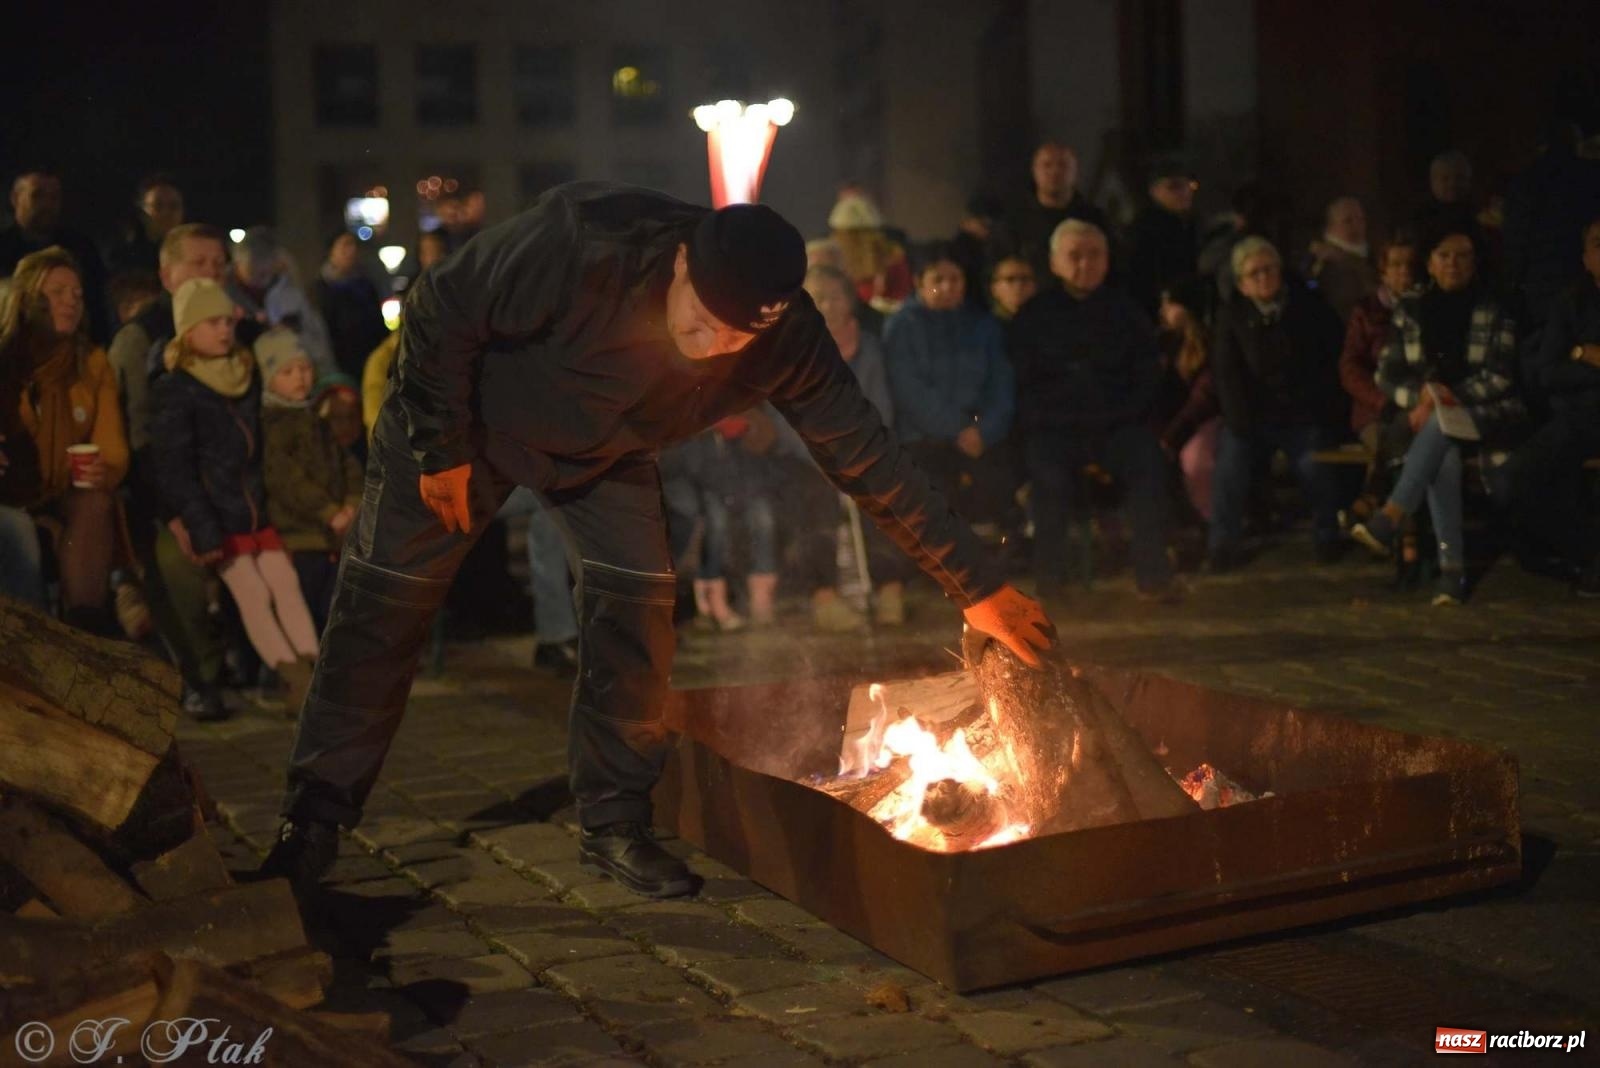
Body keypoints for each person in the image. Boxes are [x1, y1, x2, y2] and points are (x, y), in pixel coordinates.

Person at [259, 183, 1054, 901]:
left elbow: (868, 457)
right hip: (463, 424)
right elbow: (441, 305)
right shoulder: (582, 242)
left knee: (638, 608)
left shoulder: (788, 337)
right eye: (700, 324)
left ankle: (613, 821)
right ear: (678, 264)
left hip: (606, 452)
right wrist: (438, 445)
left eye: (734, 339)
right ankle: (315, 817)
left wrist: (977, 586)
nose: (710, 348)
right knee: (385, 606)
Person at [149, 279, 321, 713]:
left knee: (285, 584)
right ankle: (294, 678)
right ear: (188, 331)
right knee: (253, 595)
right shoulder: (176, 388)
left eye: (227, 320)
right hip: (220, 519)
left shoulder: (244, 374)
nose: (224, 330)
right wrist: (203, 527)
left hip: (256, 512)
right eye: (211, 323)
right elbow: (176, 467)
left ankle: (315, 671)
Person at [1350, 231, 1525, 605]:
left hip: (1485, 412)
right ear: (1429, 263)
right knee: (1441, 451)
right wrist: (1422, 397)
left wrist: (1449, 397)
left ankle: (1393, 515)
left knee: (1439, 428)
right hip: (1432, 417)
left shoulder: (1494, 307)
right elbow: (1387, 373)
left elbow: (1501, 376)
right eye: (1443, 255)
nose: (1452, 264)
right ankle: (1451, 573)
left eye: (1462, 256)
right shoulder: (1412, 307)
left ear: (1474, 262)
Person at [1008, 220, 1178, 602]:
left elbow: (1147, 377)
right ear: (1055, 262)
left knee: (1147, 462)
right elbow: (1024, 382)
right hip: (1055, 428)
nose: (1085, 264)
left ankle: (1153, 576)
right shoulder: (1033, 316)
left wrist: (1120, 415)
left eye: (1094, 255)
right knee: (1048, 478)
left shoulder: (1127, 311)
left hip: (1116, 426)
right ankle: (1050, 583)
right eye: (1075, 256)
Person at [773, 264, 908, 631]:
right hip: (808, 456)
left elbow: (880, 407)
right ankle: (825, 598)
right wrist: (823, 457)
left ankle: (889, 590)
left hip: (860, 451)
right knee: (811, 498)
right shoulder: (791, 350)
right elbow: (785, 418)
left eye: (835, 297)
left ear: (850, 301)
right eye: (818, 298)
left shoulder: (868, 349)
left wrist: (858, 454)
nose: (827, 306)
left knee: (881, 492)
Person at [0, 247, 128, 632]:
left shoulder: (90, 364)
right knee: (18, 532)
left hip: (58, 495)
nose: (71, 301)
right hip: (8, 496)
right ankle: (32, 645)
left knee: (94, 500)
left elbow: (114, 449)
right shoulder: (6, 361)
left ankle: (83, 626)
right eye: (57, 292)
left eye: (77, 293)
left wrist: (99, 468)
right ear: (28, 298)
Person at [1207, 237, 1347, 569]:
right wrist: (1242, 423)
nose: (1263, 278)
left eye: (1269, 269)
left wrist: (1317, 410)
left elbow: (1328, 360)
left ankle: (1327, 534)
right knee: (1230, 466)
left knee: (1316, 465)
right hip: (1251, 417)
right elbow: (1226, 374)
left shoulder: (1308, 307)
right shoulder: (1231, 318)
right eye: (1254, 273)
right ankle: (1223, 543)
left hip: (1301, 413)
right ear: (1241, 284)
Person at [1497, 216, 1600, 594]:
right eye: (1598, 244)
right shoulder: (1571, 302)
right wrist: (1586, 358)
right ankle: (1583, 552)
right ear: (1586, 256)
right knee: (1512, 479)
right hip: (1580, 416)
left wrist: (1587, 355)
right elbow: (1549, 372)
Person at [883, 244, 1017, 532]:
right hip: (924, 436)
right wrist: (957, 429)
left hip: (979, 433)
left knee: (1001, 480)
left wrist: (986, 430)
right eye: (937, 281)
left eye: (955, 280)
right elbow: (910, 390)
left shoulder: (983, 325)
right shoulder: (902, 328)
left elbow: (1001, 384)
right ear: (920, 282)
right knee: (935, 491)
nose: (946, 288)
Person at [258, 328, 363, 632]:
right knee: (307, 612)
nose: (299, 377)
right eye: (287, 371)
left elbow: (346, 464)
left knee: (334, 607)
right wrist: (329, 512)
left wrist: (351, 503)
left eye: (304, 368)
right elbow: (287, 481)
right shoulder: (273, 425)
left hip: (332, 533)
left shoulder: (315, 418)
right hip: (299, 536)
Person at [0, 172, 111, 344]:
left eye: (54, 197)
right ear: (15, 198)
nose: (47, 204)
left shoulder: (81, 249)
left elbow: (97, 307)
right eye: (37, 195)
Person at [996, 142, 1114, 285]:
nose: (1055, 171)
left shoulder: (1096, 220)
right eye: (1047, 165)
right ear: (1034, 171)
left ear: (1074, 171)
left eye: (1063, 165)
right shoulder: (1013, 222)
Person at [226, 227, 335, 376]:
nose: (261, 273)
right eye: (253, 268)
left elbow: (316, 341)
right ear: (237, 263)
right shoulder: (224, 296)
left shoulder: (291, 295)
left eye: (266, 268)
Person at [1155, 279, 1221, 522]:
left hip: (1199, 421)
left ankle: (1209, 520)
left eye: (1170, 304)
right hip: (1167, 420)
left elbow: (1205, 397)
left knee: (1197, 462)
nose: (1165, 310)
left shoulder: (1207, 344)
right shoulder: (1159, 343)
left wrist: (1174, 433)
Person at [1125, 156, 1199, 317]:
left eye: (1189, 185)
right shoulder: (1143, 230)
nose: (1184, 192)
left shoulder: (1194, 225)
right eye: (1174, 187)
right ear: (1154, 191)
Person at [313, 232, 391, 379]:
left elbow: (378, 324)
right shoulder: (321, 289)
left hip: (371, 362)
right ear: (331, 252)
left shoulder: (365, 284)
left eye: (353, 245)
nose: (351, 251)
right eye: (345, 246)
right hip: (340, 367)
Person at [828, 192, 912, 314]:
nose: (837, 239)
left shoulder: (893, 260)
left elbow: (902, 302)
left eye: (846, 235)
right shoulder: (833, 261)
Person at [1305, 196, 1378, 323]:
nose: (1357, 226)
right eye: (1348, 221)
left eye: (1361, 219)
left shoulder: (1374, 255)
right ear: (1330, 227)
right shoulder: (1320, 262)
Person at [107, 175, 185, 278]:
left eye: (174, 206)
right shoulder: (122, 257)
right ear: (141, 210)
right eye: (158, 206)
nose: (166, 213)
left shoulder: (195, 254)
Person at [988, 256, 1037, 323]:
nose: (1019, 285)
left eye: (1025, 279)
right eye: (1010, 279)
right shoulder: (983, 328)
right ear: (994, 288)